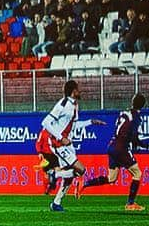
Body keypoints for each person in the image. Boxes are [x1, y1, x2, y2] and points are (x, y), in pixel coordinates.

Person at [35, 80, 102, 211]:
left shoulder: (75, 105)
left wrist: (91, 122)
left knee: (70, 176)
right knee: (81, 170)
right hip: (58, 143)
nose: (80, 91)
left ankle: (56, 203)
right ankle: (54, 174)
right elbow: (46, 122)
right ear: (73, 91)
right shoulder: (63, 104)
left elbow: (74, 125)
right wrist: (61, 138)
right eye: (77, 89)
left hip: (67, 144)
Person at [79, 93, 147, 212]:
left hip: (112, 146)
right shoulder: (136, 117)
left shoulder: (124, 113)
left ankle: (85, 183)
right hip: (121, 148)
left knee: (112, 178)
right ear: (143, 105)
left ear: (132, 102)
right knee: (137, 174)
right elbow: (134, 136)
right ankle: (130, 203)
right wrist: (143, 144)